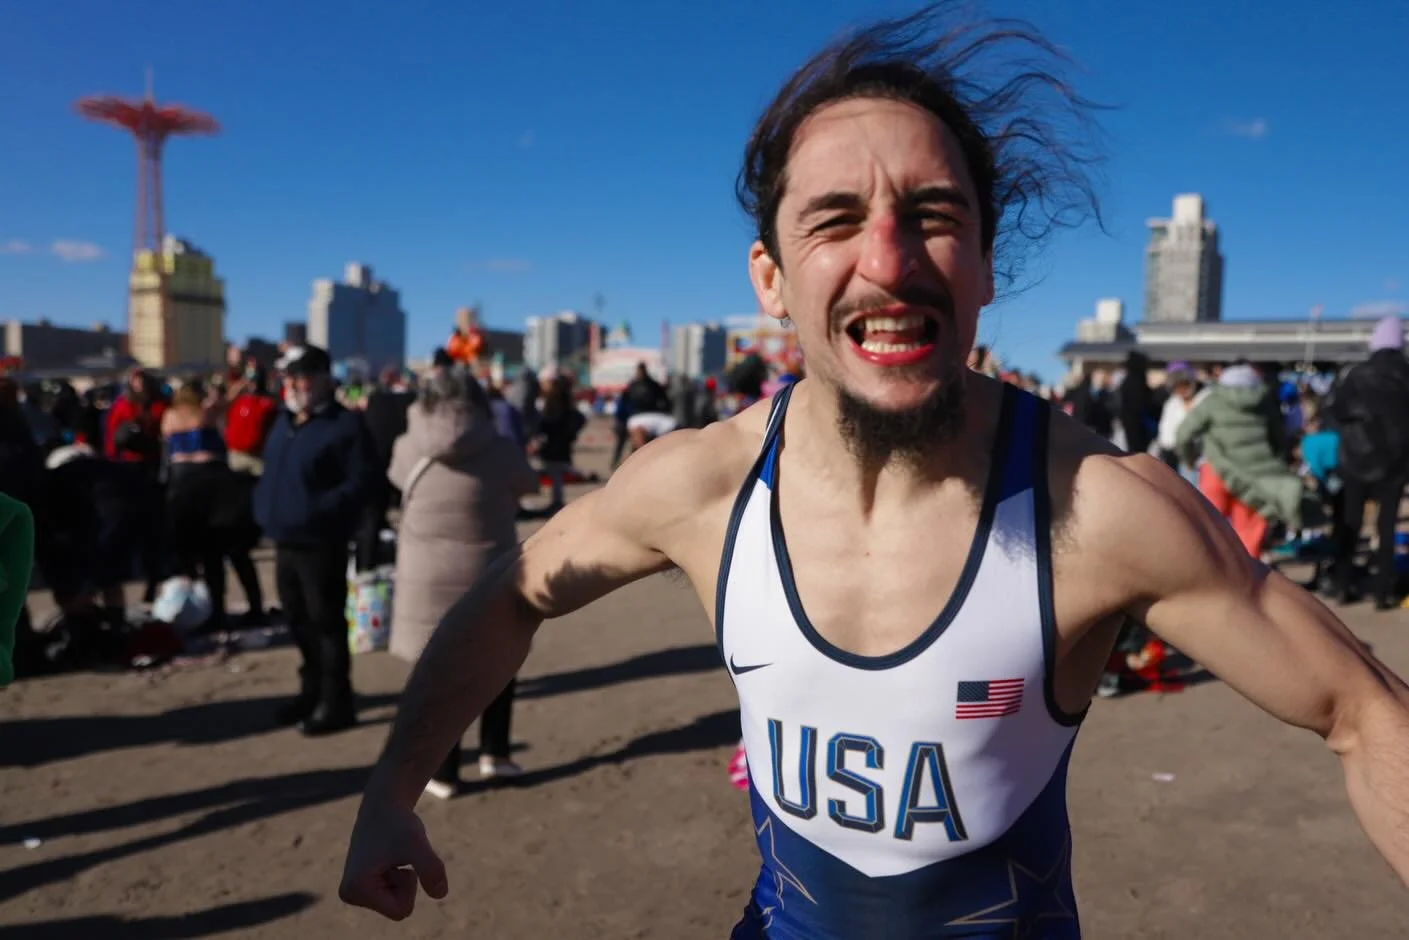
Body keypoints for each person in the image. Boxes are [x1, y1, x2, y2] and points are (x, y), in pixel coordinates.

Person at [340, 7, 1409, 934]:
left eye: (932, 216)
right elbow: (516, 591)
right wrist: (391, 791)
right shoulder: (701, 488)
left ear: (984, 265)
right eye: (835, 220)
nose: (888, 262)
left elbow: (1361, 710)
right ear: (770, 279)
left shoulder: (1096, 511)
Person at [386, 366, 540, 798]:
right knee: (499, 663)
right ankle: (495, 752)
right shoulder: (500, 447)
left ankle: (443, 771)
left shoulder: (407, 446)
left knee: (437, 677)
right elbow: (528, 485)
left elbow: (395, 479)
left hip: (424, 578)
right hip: (487, 573)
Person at [255, 345, 375, 735]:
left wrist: (320, 510)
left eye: (301, 377)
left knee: (326, 622)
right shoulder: (284, 422)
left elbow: (362, 482)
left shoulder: (344, 425)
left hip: (322, 541)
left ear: (324, 380)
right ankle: (310, 691)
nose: (292, 385)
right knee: (297, 619)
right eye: (288, 378)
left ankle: (336, 701)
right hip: (285, 538)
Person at [1330, 315, 1409, 608]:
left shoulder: (1357, 375)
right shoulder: (1406, 376)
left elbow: (1337, 410)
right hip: (1396, 463)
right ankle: (1382, 591)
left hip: (1357, 460)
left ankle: (1343, 584)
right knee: (1386, 526)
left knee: (1351, 522)